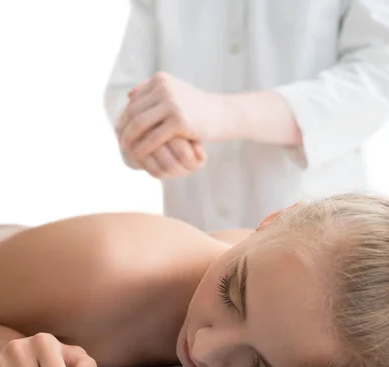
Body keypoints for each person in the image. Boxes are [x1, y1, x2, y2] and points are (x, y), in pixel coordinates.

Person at [0, 193, 389, 367]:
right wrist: (2, 346)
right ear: (272, 220)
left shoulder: (302, 289)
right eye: (231, 293)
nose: (204, 347)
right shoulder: (105, 267)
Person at [104, 0, 389, 231]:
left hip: (323, 232)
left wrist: (222, 114)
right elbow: (127, 90)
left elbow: (376, 76)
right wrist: (150, 134)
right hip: (192, 232)